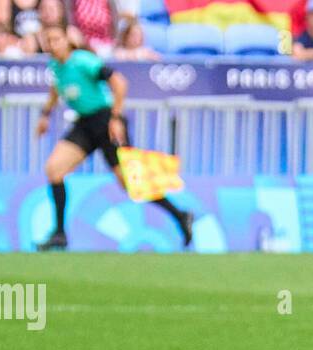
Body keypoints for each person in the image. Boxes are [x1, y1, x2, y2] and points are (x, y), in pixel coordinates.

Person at [33, 25, 193, 251]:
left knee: (130, 185)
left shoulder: (83, 61)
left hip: (106, 122)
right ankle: (59, 233)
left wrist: (116, 118)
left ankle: (180, 215)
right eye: (48, 40)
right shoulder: (55, 67)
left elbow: (119, 82)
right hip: (85, 124)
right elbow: (55, 90)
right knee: (54, 169)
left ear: (67, 41)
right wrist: (45, 115)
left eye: (56, 39)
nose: (52, 44)